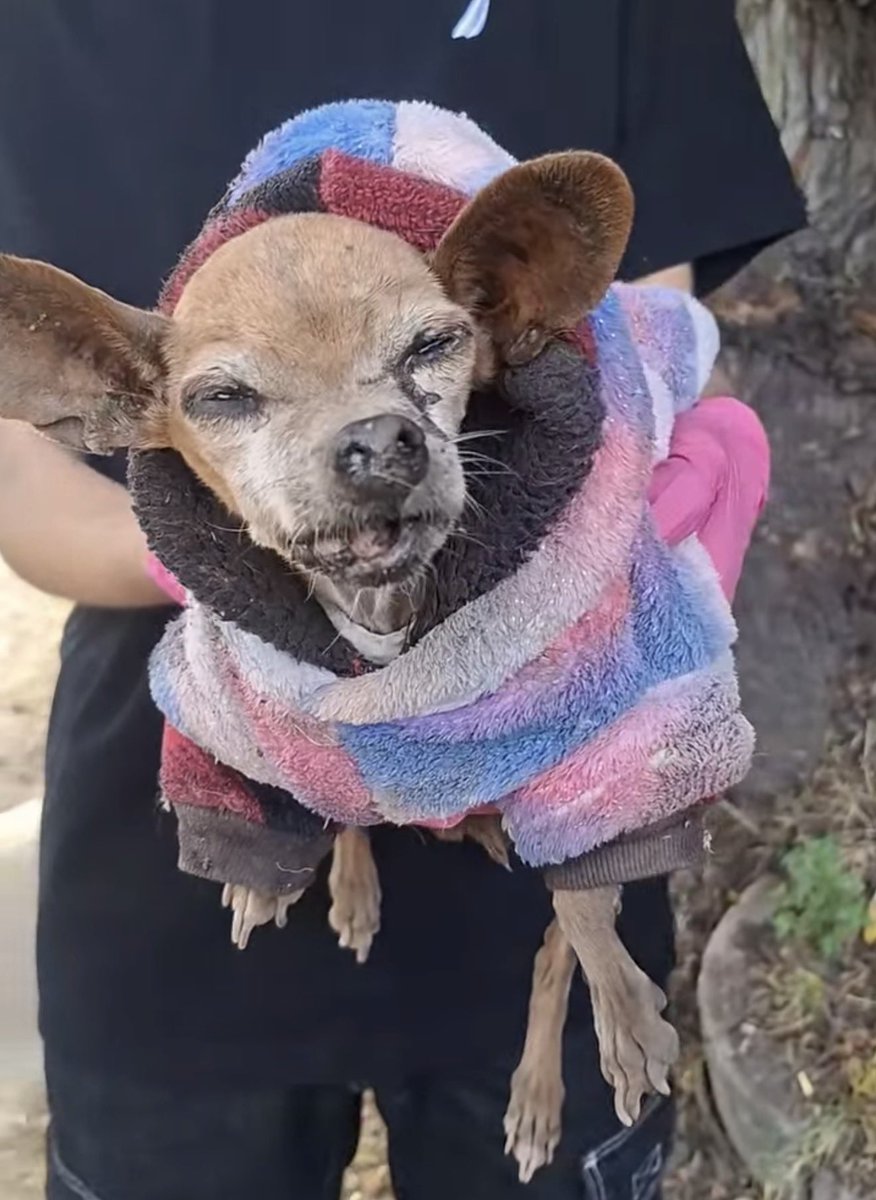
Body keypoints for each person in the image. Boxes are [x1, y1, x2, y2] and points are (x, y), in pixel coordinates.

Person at [0, 3, 804, 1198]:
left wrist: (659, 492)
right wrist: (230, 573)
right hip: (178, 846)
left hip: (543, 793)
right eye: (228, 399)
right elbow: (23, 481)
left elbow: (632, 332)